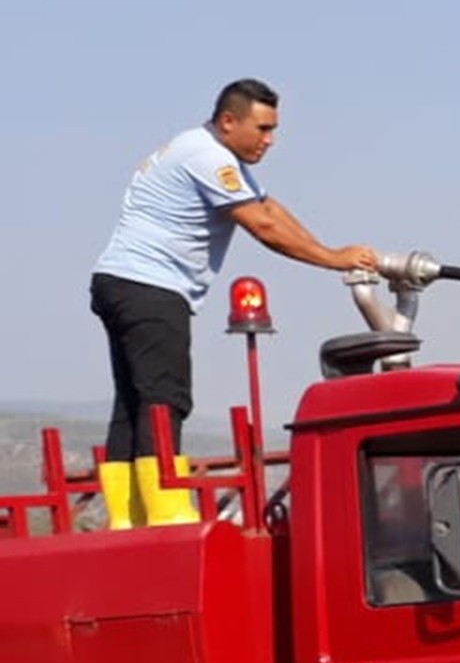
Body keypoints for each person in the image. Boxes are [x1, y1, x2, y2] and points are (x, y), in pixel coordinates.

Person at [90, 78, 379, 526]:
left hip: (123, 281)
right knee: (165, 396)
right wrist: (332, 259)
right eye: (262, 128)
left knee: (133, 400)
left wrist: (330, 251)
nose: (270, 140)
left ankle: (128, 518)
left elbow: (270, 209)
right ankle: (165, 511)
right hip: (150, 285)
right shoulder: (208, 158)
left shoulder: (203, 149)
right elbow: (262, 227)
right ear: (229, 122)